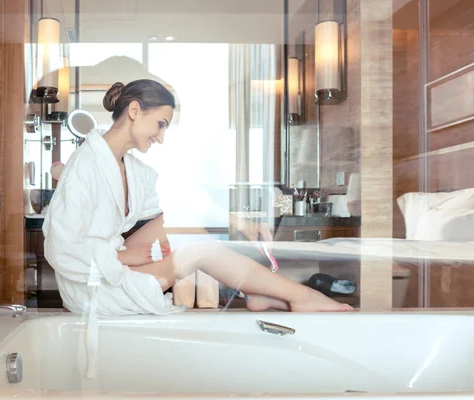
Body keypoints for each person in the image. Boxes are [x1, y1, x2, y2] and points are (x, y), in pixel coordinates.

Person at [43, 79, 353, 318]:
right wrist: (122, 258)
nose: (161, 137)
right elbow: (62, 247)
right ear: (135, 111)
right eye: (161, 125)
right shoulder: (86, 164)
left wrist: (241, 224)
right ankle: (302, 295)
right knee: (201, 250)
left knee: (185, 224)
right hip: (93, 286)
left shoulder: (132, 169)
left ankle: (259, 293)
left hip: (108, 265)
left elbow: (183, 206)